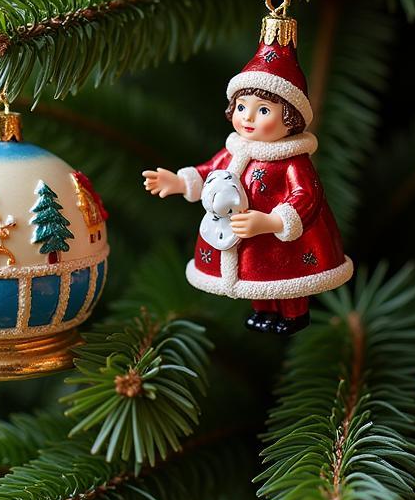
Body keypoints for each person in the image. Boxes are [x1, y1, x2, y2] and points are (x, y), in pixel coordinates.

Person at [143, 30, 353, 335]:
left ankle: (294, 314)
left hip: (277, 236)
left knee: (285, 277)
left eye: (264, 110)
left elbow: (305, 195)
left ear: (291, 118)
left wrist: (272, 221)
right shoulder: (235, 149)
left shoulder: (292, 161)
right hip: (243, 234)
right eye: (242, 107)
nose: (248, 117)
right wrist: (178, 181)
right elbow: (211, 171)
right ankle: (263, 311)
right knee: (254, 275)